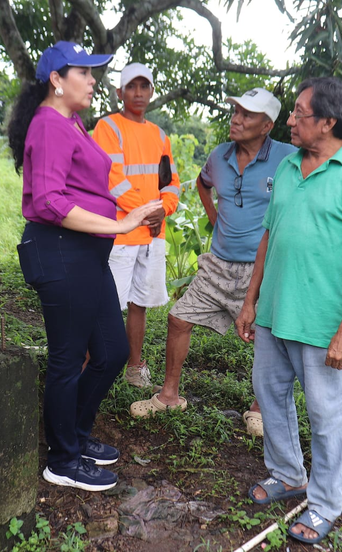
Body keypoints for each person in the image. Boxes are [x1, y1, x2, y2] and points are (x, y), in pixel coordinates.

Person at [235, 77, 342, 544]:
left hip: (322, 323)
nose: (291, 120)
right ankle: (287, 473)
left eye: (301, 113)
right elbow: (269, 236)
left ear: (329, 122)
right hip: (274, 313)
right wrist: (250, 300)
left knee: (328, 418)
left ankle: (324, 503)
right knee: (270, 394)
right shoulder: (286, 167)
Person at [7, 41, 163, 492]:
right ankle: (62, 459)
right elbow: (52, 201)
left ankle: (74, 433)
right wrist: (123, 221)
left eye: (94, 73)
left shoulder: (73, 123)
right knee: (67, 358)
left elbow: (92, 183)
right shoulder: (50, 125)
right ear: (57, 80)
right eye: (85, 73)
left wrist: (138, 206)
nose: (94, 81)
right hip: (60, 250)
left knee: (113, 351)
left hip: (84, 253)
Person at [129, 88, 296, 438]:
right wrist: (214, 216)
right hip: (218, 263)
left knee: (267, 338)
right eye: (235, 111)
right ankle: (169, 395)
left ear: (267, 125)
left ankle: (259, 407)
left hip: (263, 269)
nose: (236, 119)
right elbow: (204, 184)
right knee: (178, 318)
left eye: (247, 115)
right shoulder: (219, 156)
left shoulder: (288, 157)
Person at [92, 63, 180, 388]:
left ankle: (133, 369)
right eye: (132, 87)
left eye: (145, 87)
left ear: (152, 92)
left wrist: (164, 210)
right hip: (120, 234)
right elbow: (112, 181)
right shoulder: (108, 127)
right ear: (120, 93)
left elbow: (170, 182)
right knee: (107, 305)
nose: (138, 93)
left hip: (151, 235)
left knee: (138, 303)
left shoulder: (160, 135)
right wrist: (147, 214)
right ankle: (95, 367)